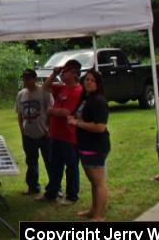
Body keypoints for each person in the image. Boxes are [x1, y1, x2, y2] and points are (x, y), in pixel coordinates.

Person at [36, 58, 83, 204]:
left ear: (75, 73)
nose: (63, 73)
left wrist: (50, 110)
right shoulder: (61, 87)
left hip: (69, 135)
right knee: (54, 165)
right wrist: (53, 73)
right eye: (63, 70)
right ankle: (52, 193)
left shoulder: (77, 90)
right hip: (55, 134)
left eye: (66, 70)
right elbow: (44, 87)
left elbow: (66, 112)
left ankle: (72, 195)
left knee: (71, 166)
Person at [68, 69, 110, 221]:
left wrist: (77, 123)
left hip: (96, 146)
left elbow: (100, 127)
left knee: (99, 182)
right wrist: (73, 118)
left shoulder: (99, 101)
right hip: (84, 145)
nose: (88, 82)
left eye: (92, 80)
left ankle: (98, 216)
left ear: (98, 84)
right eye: (86, 79)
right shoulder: (86, 98)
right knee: (93, 182)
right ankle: (93, 209)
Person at [16, 68, 53, 195]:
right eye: (24, 79)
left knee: (49, 161)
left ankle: (54, 187)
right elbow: (20, 115)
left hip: (44, 133)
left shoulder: (44, 92)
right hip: (28, 134)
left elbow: (50, 111)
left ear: (34, 79)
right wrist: (22, 130)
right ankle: (33, 187)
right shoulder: (21, 94)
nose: (25, 81)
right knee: (31, 162)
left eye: (28, 78)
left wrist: (49, 129)